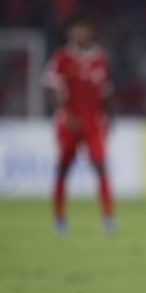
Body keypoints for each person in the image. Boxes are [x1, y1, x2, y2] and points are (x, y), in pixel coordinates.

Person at [43, 13, 115, 233]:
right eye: (77, 28)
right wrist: (63, 112)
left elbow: (106, 92)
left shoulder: (100, 58)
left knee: (100, 166)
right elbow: (49, 88)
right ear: (70, 32)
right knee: (63, 169)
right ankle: (59, 218)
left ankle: (108, 218)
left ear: (91, 31)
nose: (80, 33)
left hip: (93, 121)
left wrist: (109, 117)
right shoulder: (62, 57)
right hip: (70, 122)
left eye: (84, 28)